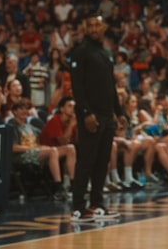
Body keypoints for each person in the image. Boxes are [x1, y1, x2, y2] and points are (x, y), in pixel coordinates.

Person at [69, 15, 126, 223]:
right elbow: (77, 86)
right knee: (86, 161)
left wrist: (120, 112)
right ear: (85, 28)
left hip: (107, 116)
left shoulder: (106, 53)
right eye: (90, 25)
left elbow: (111, 86)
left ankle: (96, 203)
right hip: (90, 116)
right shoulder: (80, 51)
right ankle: (77, 208)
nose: (93, 29)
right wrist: (85, 113)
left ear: (104, 28)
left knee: (102, 161)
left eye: (97, 25)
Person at [10, 99, 70, 200]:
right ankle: (58, 188)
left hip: (37, 153)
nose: (24, 111)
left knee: (70, 149)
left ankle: (73, 185)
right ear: (15, 111)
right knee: (52, 151)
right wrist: (35, 148)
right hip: (21, 157)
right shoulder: (12, 127)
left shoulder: (32, 127)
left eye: (26, 109)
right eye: (21, 109)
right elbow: (13, 147)